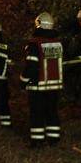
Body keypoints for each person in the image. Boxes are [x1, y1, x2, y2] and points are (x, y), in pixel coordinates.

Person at [19, 12, 64, 147]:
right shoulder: (57, 44)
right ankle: (54, 139)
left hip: (38, 86)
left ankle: (37, 142)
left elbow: (31, 66)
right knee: (52, 111)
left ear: (38, 24)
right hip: (54, 86)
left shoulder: (34, 44)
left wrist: (23, 80)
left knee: (37, 113)